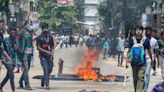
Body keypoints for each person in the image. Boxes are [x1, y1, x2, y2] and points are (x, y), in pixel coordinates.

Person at [125, 26, 152, 92]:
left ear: (143, 31)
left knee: (140, 78)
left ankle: (138, 91)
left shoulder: (146, 40)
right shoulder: (132, 40)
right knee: (135, 78)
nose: (138, 32)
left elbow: (149, 51)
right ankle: (137, 90)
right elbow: (129, 51)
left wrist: (151, 59)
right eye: (137, 30)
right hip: (133, 63)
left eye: (140, 30)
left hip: (142, 63)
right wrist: (126, 62)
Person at [36, 22, 54, 90]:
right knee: (46, 69)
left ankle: (43, 79)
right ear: (43, 29)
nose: (46, 31)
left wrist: (52, 50)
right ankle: (47, 84)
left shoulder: (50, 37)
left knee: (50, 69)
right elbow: (38, 47)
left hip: (50, 57)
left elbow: (52, 45)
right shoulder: (39, 38)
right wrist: (46, 51)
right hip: (42, 56)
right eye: (45, 29)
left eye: (47, 29)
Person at [0, 27, 17, 92]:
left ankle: (1, 86)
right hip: (6, 59)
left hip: (13, 59)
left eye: (14, 33)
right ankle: (13, 89)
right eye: (12, 32)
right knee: (11, 75)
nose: (13, 34)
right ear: (9, 32)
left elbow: (16, 50)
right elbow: (3, 50)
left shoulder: (15, 40)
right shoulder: (5, 40)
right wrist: (8, 57)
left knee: (9, 75)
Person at [144, 27, 159, 92]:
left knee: (147, 73)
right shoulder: (142, 39)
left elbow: (156, 51)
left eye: (149, 31)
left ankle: (145, 89)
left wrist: (158, 61)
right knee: (142, 74)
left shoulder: (154, 41)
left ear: (151, 32)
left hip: (150, 59)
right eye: (146, 31)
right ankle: (142, 86)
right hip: (142, 59)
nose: (147, 32)